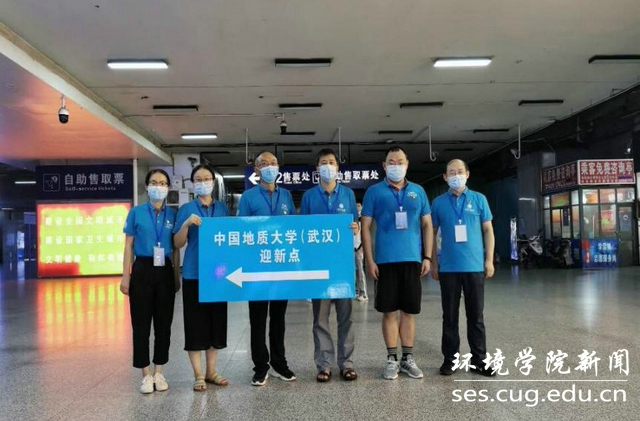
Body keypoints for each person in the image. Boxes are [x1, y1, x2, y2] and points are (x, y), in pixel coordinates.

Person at [361, 146, 434, 380]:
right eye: (391, 162)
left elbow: (427, 225)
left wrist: (427, 256)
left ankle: (407, 358)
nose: (396, 165)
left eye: (400, 161)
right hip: (385, 261)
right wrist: (370, 260)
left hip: (412, 260)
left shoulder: (418, 191)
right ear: (384, 166)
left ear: (407, 164)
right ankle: (392, 358)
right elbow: (365, 227)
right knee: (389, 311)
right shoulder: (374, 192)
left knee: (409, 311)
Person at [430, 159, 495, 377]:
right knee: (449, 316)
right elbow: (431, 233)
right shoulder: (438, 203)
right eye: (451, 172)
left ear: (467, 174)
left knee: (476, 316)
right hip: (448, 268)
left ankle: (479, 360)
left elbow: (488, 230)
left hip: (474, 266)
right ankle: (450, 359)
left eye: (459, 171)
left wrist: (489, 260)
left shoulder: (479, 199)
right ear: (445, 177)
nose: (456, 175)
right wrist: (433, 262)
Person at [299, 148, 359, 382]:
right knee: (320, 318)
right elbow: (303, 231)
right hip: (319, 266)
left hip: (342, 264)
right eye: (323, 163)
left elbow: (354, 223)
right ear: (317, 169)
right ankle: (324, 364)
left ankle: (347, 363)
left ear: (337, 167)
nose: (328, 166)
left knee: (346, 317)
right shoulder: (309, 196)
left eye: (331, 162)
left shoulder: (348, 195)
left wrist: (355, 228)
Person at [237, 151, 297, 386]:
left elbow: (294, 227)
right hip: (257, 267)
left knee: (279, 318)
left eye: (273, 163)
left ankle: (279, 363)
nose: (270, 167)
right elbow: (241, 230)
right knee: (258, 319)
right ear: (256, 170)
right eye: (264, 164)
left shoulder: (287, 196)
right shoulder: (248, 197)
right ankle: (260, 366)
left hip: (281, 265)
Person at [120, 169, 180, 394]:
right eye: (154, 183)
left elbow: (175, 248)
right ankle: (145, 374)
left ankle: (159, 371)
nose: (158, 186)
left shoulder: (173, 214)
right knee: (141, 324)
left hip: (165, 270)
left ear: (168, 187)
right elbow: (128, 245)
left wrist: (176, 276)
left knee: (164, 325)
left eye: (163, 183)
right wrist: (126, 275)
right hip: (142, 268)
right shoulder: (136, 212)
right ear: (147, 187)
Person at [174, 164, 230, 391]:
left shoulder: (223, 209)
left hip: (218, 274)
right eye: (198, 179)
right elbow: (177, 243)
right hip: (194, 273)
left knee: (216, 323)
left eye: (207, 178)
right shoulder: (186, 209)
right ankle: (198, 374)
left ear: (213, 182)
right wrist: (186, 224)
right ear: (192, 183)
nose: (203, 182)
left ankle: (212, 371)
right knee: (195, 324)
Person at [354, 202, 368, 302]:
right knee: (352, 271)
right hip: (351, 248)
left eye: (358, 206)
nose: (357, 208)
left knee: (360, 271)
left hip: (359, 248)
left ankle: (363, 293)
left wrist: (362, 245)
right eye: (356, 206)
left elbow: (365, 234)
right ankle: (355, 291)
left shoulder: (363, 219)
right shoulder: (352, 219)